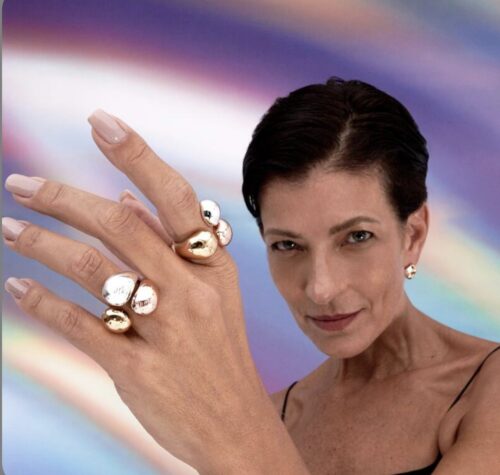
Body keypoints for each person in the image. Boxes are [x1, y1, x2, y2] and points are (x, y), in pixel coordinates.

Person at [2, 77, 499, 475]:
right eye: (288, 245)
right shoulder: (262, 416)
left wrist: (234, 442)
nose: (321, 287)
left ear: (413, 235)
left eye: (356, 237)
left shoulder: (487, 389)